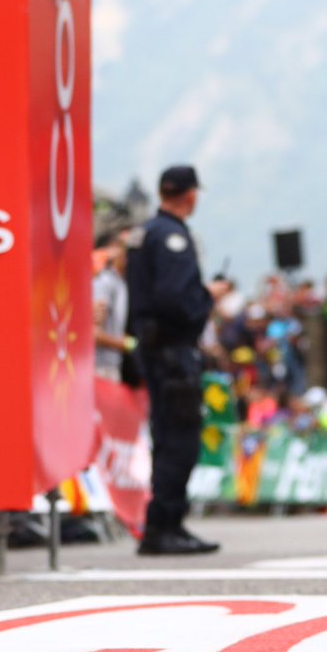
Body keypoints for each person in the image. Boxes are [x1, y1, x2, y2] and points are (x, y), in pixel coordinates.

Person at [127, 165, 228, 555]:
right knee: (179, 440)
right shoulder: (172, 237)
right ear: (190, 195)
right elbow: (174, 299)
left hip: (154, 349)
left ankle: (166, 524)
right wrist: (206, 296)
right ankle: (164, 526)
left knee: (167, 437)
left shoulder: (144, 233)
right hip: (173, 352)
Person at [92, 229, 136, 382]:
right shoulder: (104, 282)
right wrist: (131, 345)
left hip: (112, 366)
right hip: (100, 368)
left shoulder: (122, 283)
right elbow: (94, 334)